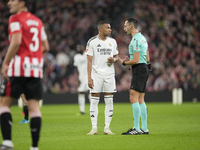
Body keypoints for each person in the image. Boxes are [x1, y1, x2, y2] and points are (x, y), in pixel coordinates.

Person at [0, 0, 49, 150]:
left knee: (3, 105)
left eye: (12, 0)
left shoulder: (15, 18)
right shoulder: (38, 21)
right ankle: (34, 147)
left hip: (18, 69)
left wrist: (5, 63)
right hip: (35, 69)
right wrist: (32, 56)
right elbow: (46, 47)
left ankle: (7, 142)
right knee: (35, 108)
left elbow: (16, 42)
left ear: (21, 3)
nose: (8, 3)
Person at [118, 18, 151, 135]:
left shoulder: (136, 40)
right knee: (141, 98)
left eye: (125, 26)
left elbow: (136, 60)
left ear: (131, 26)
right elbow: (146, 56)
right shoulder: (142, 38)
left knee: (133, 98)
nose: (124, 28)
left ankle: (136, 129)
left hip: (139, 69)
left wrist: (124, 63)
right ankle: (144, 128)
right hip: (144, 68)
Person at [86, 20, 118, 135]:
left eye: (110, 27)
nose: (110, 29)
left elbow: (116, 57)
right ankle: (94, 128)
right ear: (101, 29)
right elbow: (89, 60)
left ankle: (107, 128)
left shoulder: (113, 42)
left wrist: (113, 60)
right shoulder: (92, 41)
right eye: (108, 28)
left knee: (109, 100)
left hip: (109, 75)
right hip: (96, 74)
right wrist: (89, 78)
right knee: (94, 99)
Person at [74, 44, 90, 114]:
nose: (78, 48)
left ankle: (93, 109)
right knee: (81, 92)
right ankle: (82, 110)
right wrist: (77, 79)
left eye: (80, 47)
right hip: (81, 77)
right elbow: (76, 68)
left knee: (90, 92)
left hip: (89, 76)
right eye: (77, 47)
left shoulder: (86, 54)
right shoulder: (76, 57)